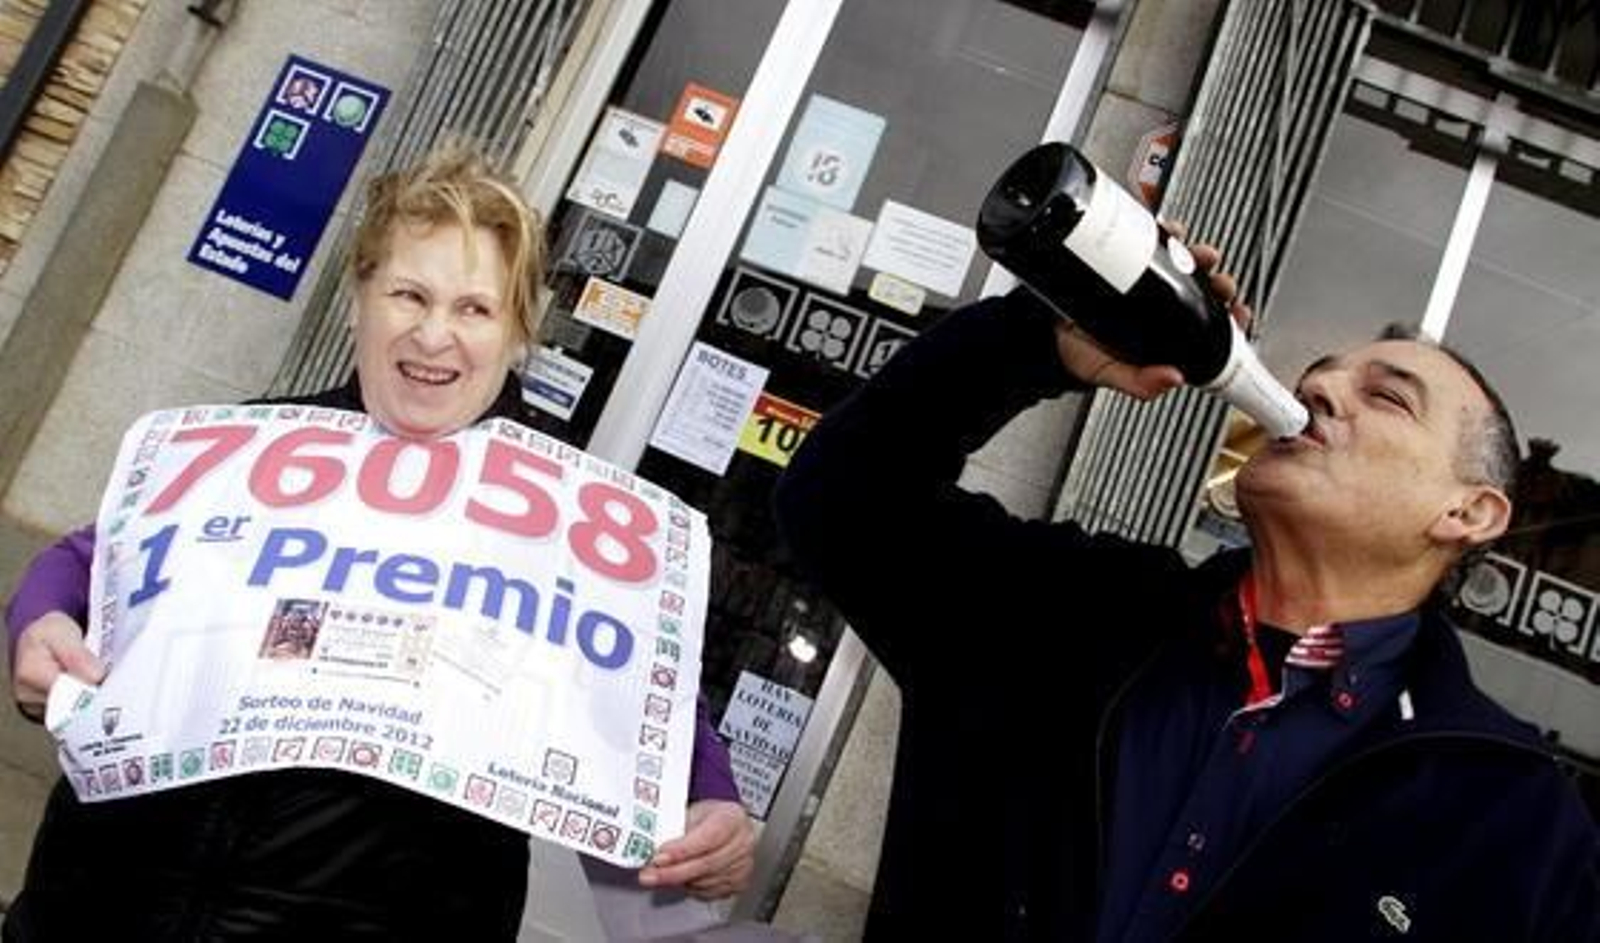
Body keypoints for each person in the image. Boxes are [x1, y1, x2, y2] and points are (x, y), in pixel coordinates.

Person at [4, 143, 754, 941]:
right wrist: (41, 620)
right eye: (409, 294)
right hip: (96, 907)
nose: (435, 335)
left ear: (517, 330)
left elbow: (641, 680)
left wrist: (711, 801)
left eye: (475, 308)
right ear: (360, 296)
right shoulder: (249, 444)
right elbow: (93, 557)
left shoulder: (570, 523)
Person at [773, 240, 1600, 941]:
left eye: (1384, 396)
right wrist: (1046, 341)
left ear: (1470, 511)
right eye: (1319, 373)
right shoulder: (1068, 610)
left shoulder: (1512, 817)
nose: (1317, 389)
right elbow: (841, 498)